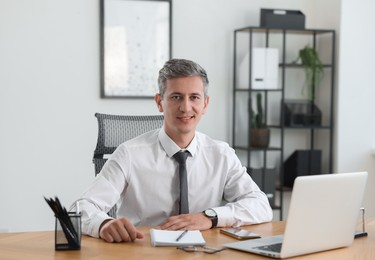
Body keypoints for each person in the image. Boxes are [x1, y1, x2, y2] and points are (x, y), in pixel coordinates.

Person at [75, 58, 273, 243]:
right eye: (176, 97)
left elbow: (260, 205)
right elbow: (80, 208)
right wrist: (103, 224)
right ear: (159, 102)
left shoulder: (221, 155)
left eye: (194, 97)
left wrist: (210, 217)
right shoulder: (129, 154)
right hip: (144, 252)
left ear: (205, 104)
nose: (186, 108)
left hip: (203, 252)